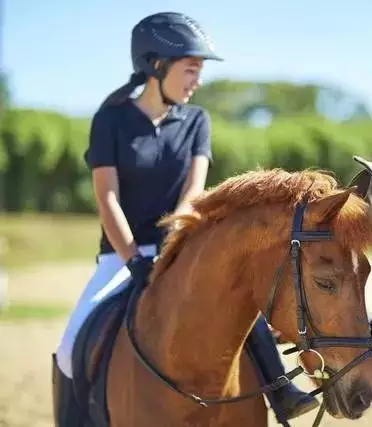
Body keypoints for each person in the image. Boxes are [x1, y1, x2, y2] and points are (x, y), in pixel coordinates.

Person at [51, 12, 318, 427]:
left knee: (241, 310)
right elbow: (107, 198)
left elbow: (192, 194)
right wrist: (134, 260)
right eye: (191, 69)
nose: (197, 80)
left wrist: (172, 247)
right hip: (121, 257)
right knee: (71, 345)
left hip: (180, 248)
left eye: (199, 71)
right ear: (156, 66)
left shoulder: (196, 121)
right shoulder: (111, 121)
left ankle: (282, 390)